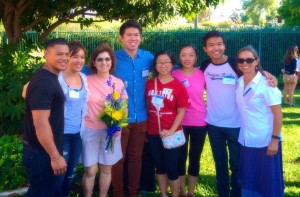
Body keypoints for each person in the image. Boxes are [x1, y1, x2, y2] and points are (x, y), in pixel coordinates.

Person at [201, 30, 278, 197]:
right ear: (205, 48)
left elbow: (259, 74)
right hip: (213, 125)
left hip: (236, 125)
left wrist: (273, 79)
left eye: (219, 44)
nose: (216, 48)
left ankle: (237, 193)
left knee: (236, 164)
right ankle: (223, 193)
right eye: (211, 45)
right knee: (219, 163)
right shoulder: (205, 66)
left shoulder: (237, 63)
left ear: (225, 45)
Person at [111, 19, 154, 197]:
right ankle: (118, 192)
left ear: (141, 38)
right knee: (118, 159)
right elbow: (90, 69)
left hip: (141, 118)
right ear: (121, 38)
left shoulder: (148, 57)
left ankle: (133, 192)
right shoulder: (113, 58)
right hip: (120, 119)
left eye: (136, 35)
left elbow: (167, 67)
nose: (133, 38)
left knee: (136, 158)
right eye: (129, 35)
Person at [22, 38, 69, 196]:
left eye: (67, 54)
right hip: (41, 154)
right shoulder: (44, 82)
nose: (64, 58)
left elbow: (27, 94)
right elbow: (41, 124)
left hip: (44, 151)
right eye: (59, 54)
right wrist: (55, 157)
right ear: (46, 54)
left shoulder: (47, 76)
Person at [235, 45, 284, 197]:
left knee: (267, 183)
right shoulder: (240, 82)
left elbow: (278, 114)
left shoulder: (266, 84)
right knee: (250, 181)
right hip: (247, 140)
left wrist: (275, 140)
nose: (245, 63)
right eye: (241, 60)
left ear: (257, 61)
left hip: (266, 142)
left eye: (249, 60)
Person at [81, 43, 127, 197]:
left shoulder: (118, 83)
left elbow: (124, 107)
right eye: (99, 59)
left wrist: (118, 125)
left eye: (107, 59)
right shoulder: (85, 81)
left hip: (110, 133)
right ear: (94, 62)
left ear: (112, 62)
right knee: (90, 170)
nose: (104, 62)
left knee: (106, 169)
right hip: (89, 130)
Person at [145, 50, 190, 197]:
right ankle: (164, 194)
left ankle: (175, 195)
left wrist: (171, 130)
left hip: (172, 133)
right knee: (159, 166)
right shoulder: (150, 84)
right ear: (155, 65)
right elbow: (147, 105)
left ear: (172, 65)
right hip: (153, 132)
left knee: (171, 167)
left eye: (166, 62)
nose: (163, 65)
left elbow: (181, 111)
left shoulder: (178, 86)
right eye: (159, 62)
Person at [172, 44, 207, 197]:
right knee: (180, 157)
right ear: (179, 57)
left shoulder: (202, 74)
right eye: (183, 55)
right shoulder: (173, 74)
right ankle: (182, 191)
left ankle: (191, 192)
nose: (187, 58)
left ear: (196, 57)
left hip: (200, 122)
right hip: (180, 122)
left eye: (191, 55)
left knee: (195, 157)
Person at [57, 41, 88, 197]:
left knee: (71, 174)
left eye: (82, 57)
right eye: (75, 56)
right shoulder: (56, 77)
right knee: (59, 175)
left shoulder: (84, 77)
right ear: (67, 57)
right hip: (61, 135)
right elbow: (26, 91)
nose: (79, 61)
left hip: (77, 135)